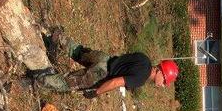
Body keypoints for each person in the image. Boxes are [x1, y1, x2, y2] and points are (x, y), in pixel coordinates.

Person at [38, 27, 178, 95]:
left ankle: (57, 37)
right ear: (160, 71)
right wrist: (97, 92)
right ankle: (38, 82)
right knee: (68, 82)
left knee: (78, 52)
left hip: (103, 58)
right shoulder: (142, 77)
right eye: (165, 80)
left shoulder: (144, 58)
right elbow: (115, 82)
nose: (163, 85)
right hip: (102, 72)